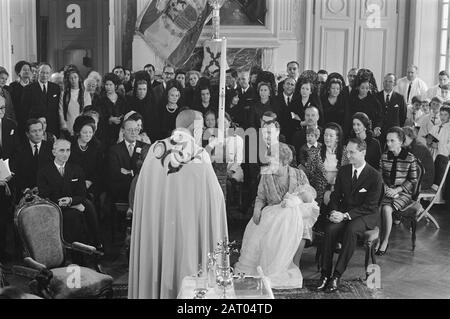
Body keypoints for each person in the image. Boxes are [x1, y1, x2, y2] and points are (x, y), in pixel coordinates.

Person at [128, 109, 228, 299]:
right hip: (188, 229)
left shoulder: (155, 150)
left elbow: (142, 190)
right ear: (193, 127)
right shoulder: (198, 154)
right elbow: (216, 198)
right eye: (201, 127)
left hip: (159, 225)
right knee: (188, 265)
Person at [234, 143, 319, 289]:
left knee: (300, 230)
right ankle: (271, 267)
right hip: (273, 214)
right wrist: (257, 209)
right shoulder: (266, 175)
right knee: (262, 231)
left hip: (295, 216)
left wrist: (296, 202)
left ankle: (294, 266)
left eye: (273, 161)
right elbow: (260, 197)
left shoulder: (299, 174)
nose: (269, 164)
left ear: (284, 161)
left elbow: (308, 195)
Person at [316, 138, 383, 293]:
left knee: (351, 230)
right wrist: (333, 211)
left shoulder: (375, 176)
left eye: (352, 152)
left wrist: (345, 216)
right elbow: (335, 196)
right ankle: (325, 275)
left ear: (363, 153)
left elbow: (370, 206)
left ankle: (337, 276)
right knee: (330, 229)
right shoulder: (344, 171)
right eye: (347, 151)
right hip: (344, 212)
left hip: (366, 215)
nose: (348, 155)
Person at [37, 139, 101, 247]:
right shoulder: (44, 171)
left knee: (88, 207)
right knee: (74, 215)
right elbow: (44, 194)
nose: (65, 154)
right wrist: (70, 205)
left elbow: (82, 193)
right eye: (62, 150)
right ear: (54, 152)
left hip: (73, 202)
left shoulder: (76, 169)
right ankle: (76, 252)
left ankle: (95, 244)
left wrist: (71, 201)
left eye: (68, 150)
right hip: (54, 206)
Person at [378, 127, 418, 256]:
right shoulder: (384, 156)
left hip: (403, 193)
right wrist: (386, 188)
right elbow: (380, 175)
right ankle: (376, 239)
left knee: (386, 209)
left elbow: (413, 180)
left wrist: (397, 189)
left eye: (392, 140)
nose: (388, 143)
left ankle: (385, 241)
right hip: (386, 190)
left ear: (401, 142)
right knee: (377, 206)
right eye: (387, 140)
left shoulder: (410, 158)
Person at [107, 118, 149, 203]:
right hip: (121, 192)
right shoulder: (114, 150)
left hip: (141, 191)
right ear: (123, 131)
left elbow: (147, 172)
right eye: (130, 130)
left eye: (136, 130)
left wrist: (129, 172)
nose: (133, 133)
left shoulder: (146, 147)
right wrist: (135, 172)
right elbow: (115, 174)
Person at [10, 119, 53, 201]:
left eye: (40, 130)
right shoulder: (19, 150)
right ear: (27, 134)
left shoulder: (51, 148)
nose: (38, 134)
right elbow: (16, 174)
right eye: (34, 131)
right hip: (25, 193)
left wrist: (42, 188)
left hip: (47, 193)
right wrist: (26, 189)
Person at [305, 122, 345, 207]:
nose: (327, 138)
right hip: (319, 191)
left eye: (331, 136)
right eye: (325, 135)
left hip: (339, 190)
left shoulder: (345, 153)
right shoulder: (315, 152)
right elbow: (309, 174)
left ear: (337, 138)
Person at [69, 115, 104, 199]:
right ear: (78, 132)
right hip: (72, 182)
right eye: (85, 132)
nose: (88, 135)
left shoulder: (97, 146)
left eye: (90, 132)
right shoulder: (70, 144)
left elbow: (100, 169)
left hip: (92, 183)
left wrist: (90, 181)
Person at [22, 63, 61, 136]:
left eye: (47, 73)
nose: (44, 75)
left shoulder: (56, 88)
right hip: (35, 127)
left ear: (50, 74)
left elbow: (58, 108)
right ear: (38, 72)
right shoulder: (28, 89)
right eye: (42, 72)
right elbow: (24, 110)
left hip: (52, 126)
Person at [0, 96, 16, 262]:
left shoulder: (11, 125)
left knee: (4, 217)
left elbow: (15, 152)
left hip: (7, 178)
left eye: (3, 108)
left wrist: (10, 173)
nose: (2, 112)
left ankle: (3, 251)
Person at [95, 73, 129, 146]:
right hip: (106, 133)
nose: (108, 87)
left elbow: (126, 113)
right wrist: (109, 119)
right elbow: (98, 116)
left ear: (115, 85)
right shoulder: (100, 99)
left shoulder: (122, 98)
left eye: (111, 85)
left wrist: (121, 119)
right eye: (106, 85)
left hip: (120, 131)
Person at [376, 73, 407, 146]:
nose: (387, 83)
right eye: (385, 81)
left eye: (390, 81)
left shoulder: (400, 98)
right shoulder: (376, 96)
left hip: (394, 133)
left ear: (394, 83)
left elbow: (403, 116)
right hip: (379, 132)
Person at [59, 68, 92, 137]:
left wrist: (83, 125)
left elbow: (87, 111)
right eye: (71, 78)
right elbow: (60, 111)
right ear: (68, 80)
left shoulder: (85, 94)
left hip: (82, 126)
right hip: (67, 126)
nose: (73, 80)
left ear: (79, 78)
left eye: (75, 77)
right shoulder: (64, 94)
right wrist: (64, 125)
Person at [9, 61, 32, 135]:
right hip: (17, 119)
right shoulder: (13, 86)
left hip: (31, 119)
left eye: (28, 70)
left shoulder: (34, 85)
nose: (27, 71)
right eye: (24, 70)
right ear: (19, 72)